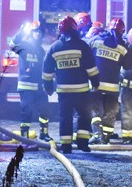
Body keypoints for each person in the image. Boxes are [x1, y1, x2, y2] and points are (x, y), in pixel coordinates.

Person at [42, 15, 100, 153]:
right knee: (84, 116)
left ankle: (66, 146)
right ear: (75, 29)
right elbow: (91, 68)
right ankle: (83, 144)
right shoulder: (82, 46)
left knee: (65, 118)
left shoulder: (54, 48)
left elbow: (47, 71)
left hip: (63, 92)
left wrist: (48, 88)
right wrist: (95, 83)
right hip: (81, 91)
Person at [88, 19, 129, 143]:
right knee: (110, 112)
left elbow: (86, 54)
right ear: (122, 31)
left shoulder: (96, 40)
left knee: (94, 110)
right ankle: (106, 137)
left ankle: (96, 135)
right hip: (113, 87)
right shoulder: (122, 46)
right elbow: (127, 65)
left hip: (96, 84)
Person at [10, 21, 52, 141]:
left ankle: (44, 134)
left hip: (39, 86)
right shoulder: (24, 46)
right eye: (35, 32)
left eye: (39, 32)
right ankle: (24, 136)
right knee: (26, 111)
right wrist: (21, 31)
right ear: (31, 33)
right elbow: (12, 44)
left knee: (44, 110)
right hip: (26, 86)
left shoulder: (41, 50)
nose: (38, 34)